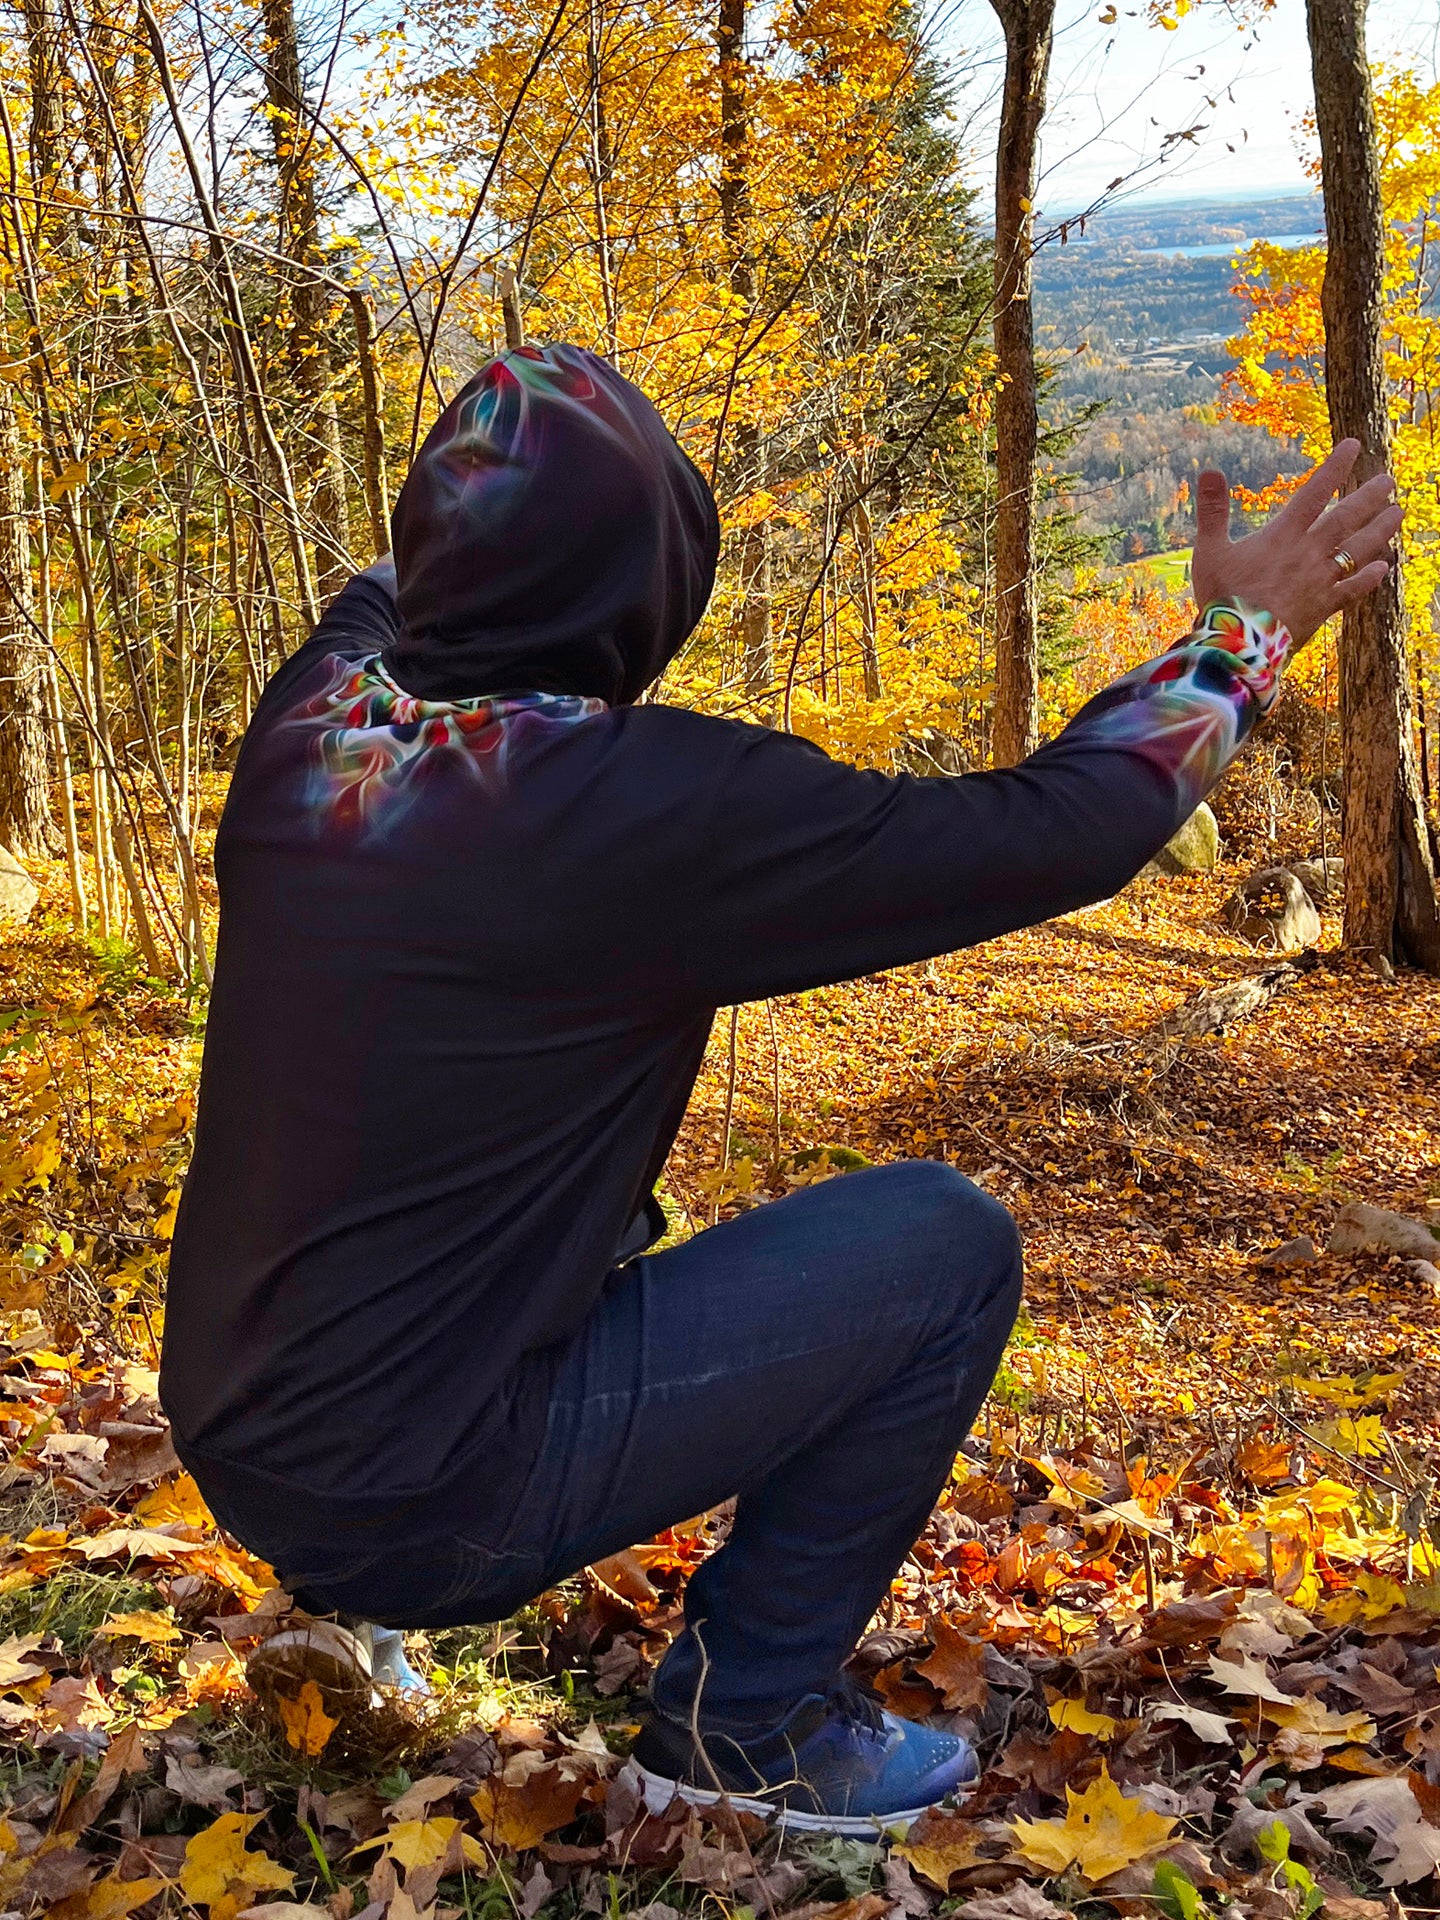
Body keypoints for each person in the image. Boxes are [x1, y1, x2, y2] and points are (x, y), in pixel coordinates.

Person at [159, 343, 1400, 1836]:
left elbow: (392, 584)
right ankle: (744, 1723)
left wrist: (482, 497)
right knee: (943, 1247)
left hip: (240, 1434)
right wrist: (1243, 635)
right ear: (643, 594)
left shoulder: (316, 718)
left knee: (579, 1204)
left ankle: (353, 1589)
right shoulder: (625, 808)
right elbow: (1060, 830)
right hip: (422, 1490)